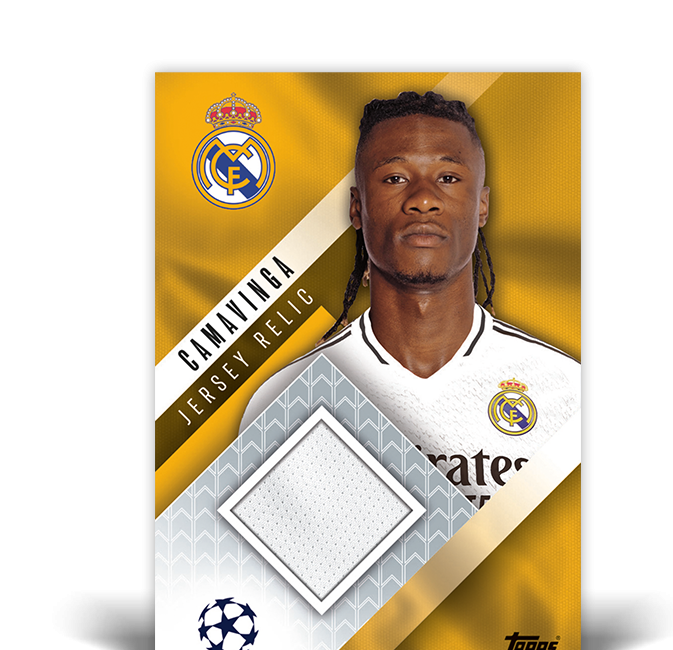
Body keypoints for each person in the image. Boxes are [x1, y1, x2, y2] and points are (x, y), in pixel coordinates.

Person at [239, 91, 580, 508]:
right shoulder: (288, 399)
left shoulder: (566, 391)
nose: (423, 199)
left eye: (448, 178)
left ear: (482, 206)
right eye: (395, 178)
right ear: (357, 207)